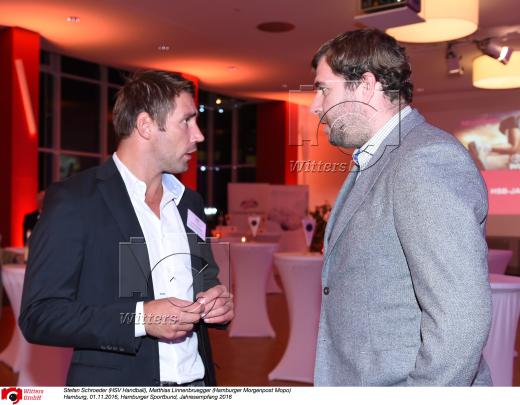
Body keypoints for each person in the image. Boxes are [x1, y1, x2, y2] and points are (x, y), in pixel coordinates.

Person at [19, 71, 234, 386]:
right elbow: (39, 315)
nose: (199, 135)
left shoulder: (190, 202)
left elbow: (205, 278)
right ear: (145, 125)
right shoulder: (76, 201)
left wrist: (216, 303)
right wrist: (141, 319)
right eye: (186, 121)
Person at [310, 29, 492, 386]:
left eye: (323, 89)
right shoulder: (381, 158)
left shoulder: (423, 159)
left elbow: (460, 319)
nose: (315, 106)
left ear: (366, 86)